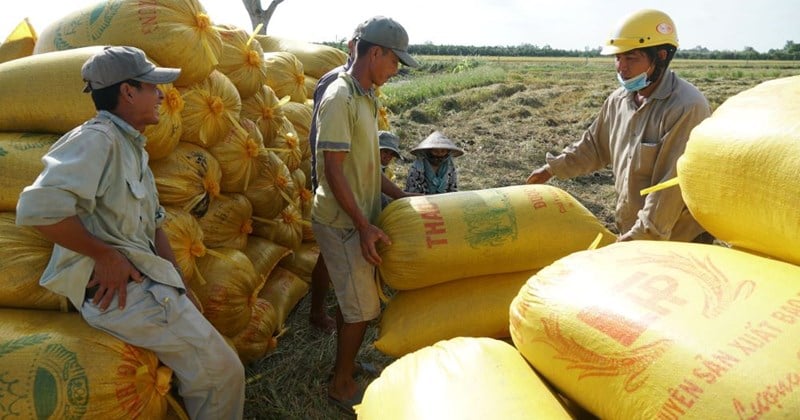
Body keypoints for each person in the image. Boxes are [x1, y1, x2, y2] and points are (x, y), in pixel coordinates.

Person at [15, 46, 245, 419]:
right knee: (224, 373)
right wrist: (103, 254)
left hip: (149, 282)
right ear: (127, 92)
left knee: (205, 366)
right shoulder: (98, 140)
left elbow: (154, 224)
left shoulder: (133, 148)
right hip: (121, 294)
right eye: (152, 86)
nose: (161, 95)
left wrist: (181, 286)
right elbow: (37, 209)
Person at [526, 9, 712, 243]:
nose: (621, 67)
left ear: (661, 56)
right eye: (618, 58)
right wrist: (552, 169)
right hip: (635, 231)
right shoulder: (619, 100)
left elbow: (670, 186)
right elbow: (593, 146)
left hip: (677, 239)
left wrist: (640, 237)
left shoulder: (686, 107)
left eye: (631, 58)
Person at [311, 15, 418, 412]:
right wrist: (363, 224)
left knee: (352, 302)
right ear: (376, 52)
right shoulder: (340, 97)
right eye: (395, 61)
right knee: (363, 310)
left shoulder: (366, 94)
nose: (396, 69)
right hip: (340, 221)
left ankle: (348, 365)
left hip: (356, 216)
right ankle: (340, 385)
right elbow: (334, 170)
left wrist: (399, 194)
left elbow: (366, 160)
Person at [306, 21, 365, 333]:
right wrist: (322, 182)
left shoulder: (364, 89)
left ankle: (327, 309)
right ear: (353, 47)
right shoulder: (336, 86)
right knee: (329, 255)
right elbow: (322, 141)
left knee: (332, 256)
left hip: (345, 177)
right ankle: (319, 312)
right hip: (332, 178)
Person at [404, 130, 464, 194]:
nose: (439, 154)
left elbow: (452, 189)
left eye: (443, 151)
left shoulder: (449, 166)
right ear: (428, 151)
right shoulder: (417, 167)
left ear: (447, 152)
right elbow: (413, 190)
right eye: (435, 151)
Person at [379, 130, 403, 207]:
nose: (388, 156)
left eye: (392, 154)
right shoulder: (369, 169)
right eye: (385, 152)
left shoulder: (385, 170)